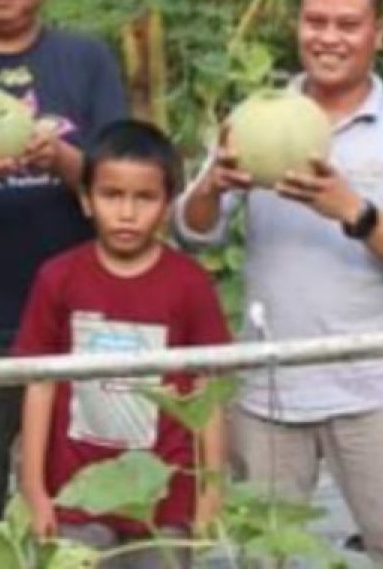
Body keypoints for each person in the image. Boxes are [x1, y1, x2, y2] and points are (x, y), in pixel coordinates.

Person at [176, 0, 383, 568]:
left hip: (372, 385)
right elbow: (195, 234)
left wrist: (355, 211)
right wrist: (213, 187)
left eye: (348, 24)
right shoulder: (255, 118)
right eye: (315, 21)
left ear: (378, 33)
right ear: (298, 25)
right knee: (264, 557)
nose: (329, 37)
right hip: (269, 385)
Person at [13, 120, 229, 568]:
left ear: (168, 205)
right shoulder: (58, 278)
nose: (127, 213)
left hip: (166, 498)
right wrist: (34, 488)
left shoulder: (189, 283)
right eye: (112, 196)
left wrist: (211, 490)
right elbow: (40, 385)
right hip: (77, 492)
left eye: (145, 198)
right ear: (85, 199)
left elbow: (209, 391)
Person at [0, 0, 128, 515]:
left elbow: (129, 185)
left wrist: (65, 161)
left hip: (82, 323)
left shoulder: (86, 59)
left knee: (89, 506)